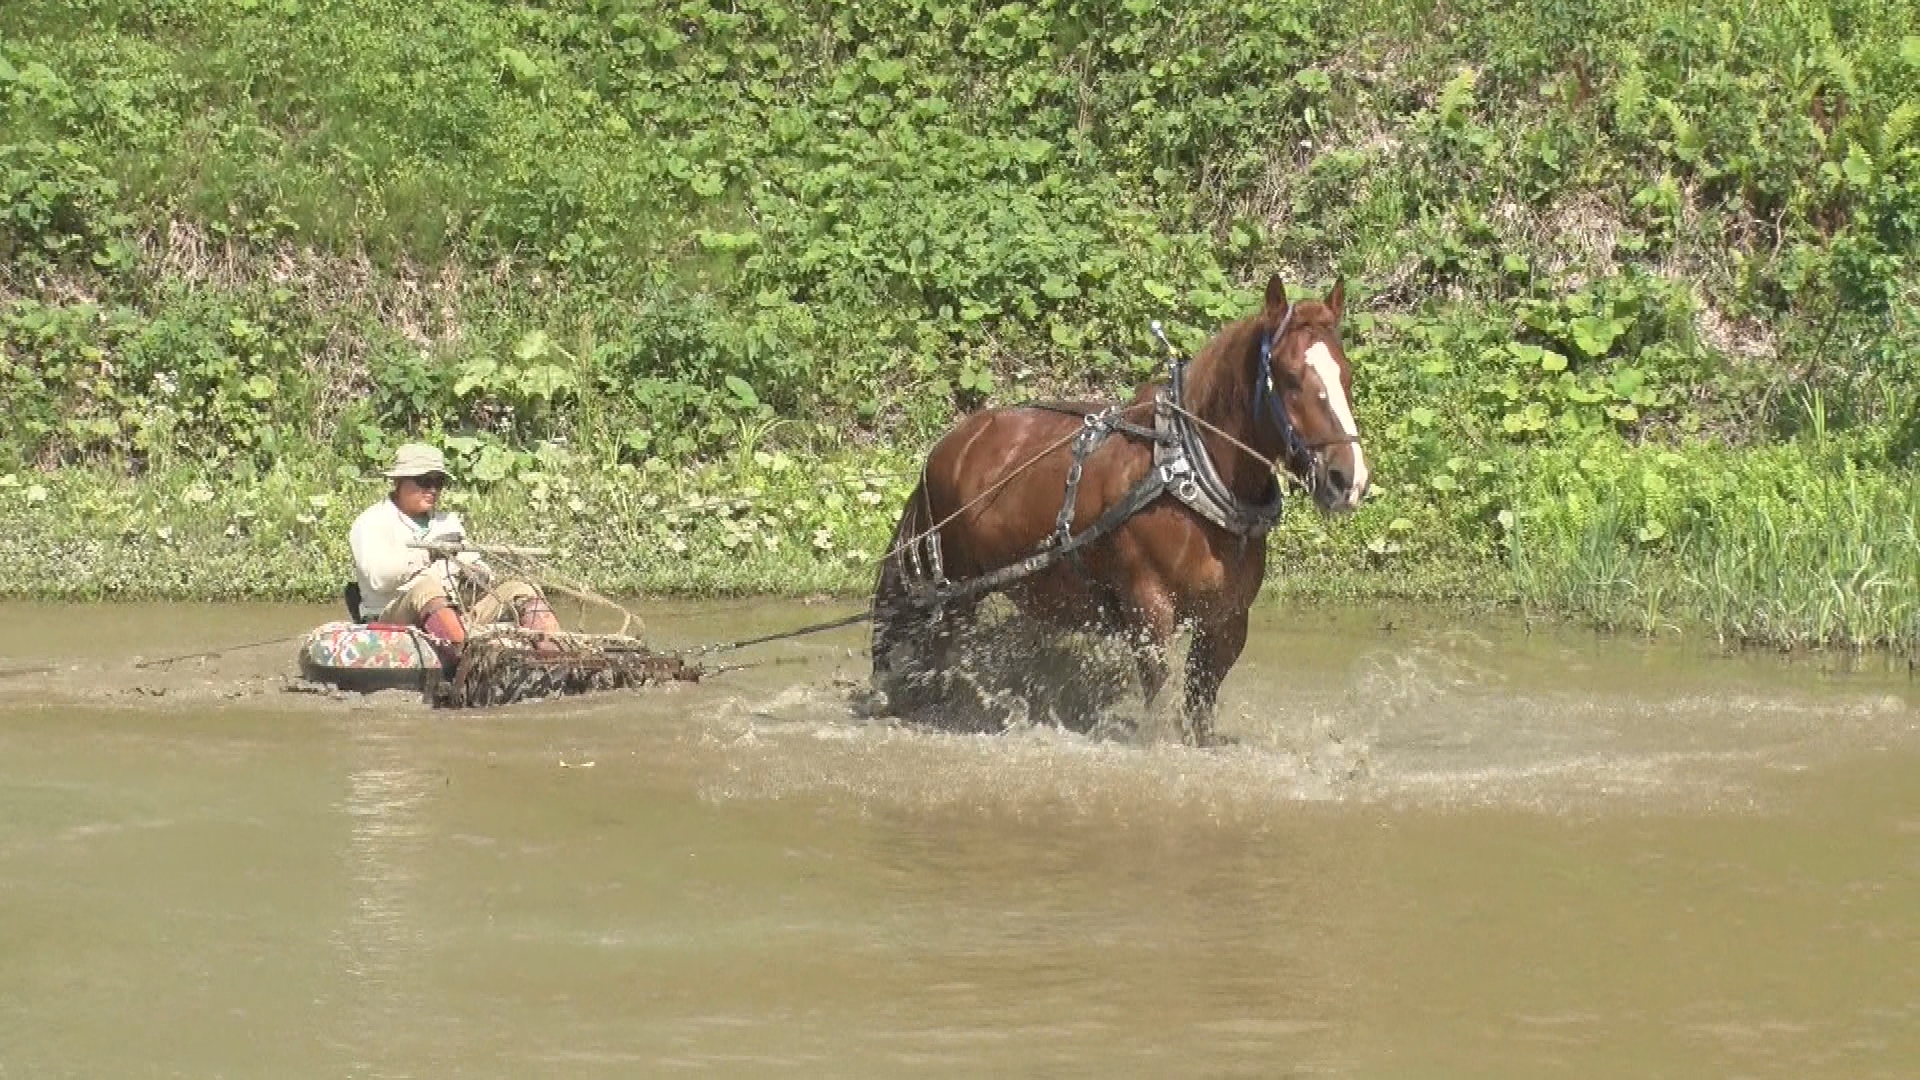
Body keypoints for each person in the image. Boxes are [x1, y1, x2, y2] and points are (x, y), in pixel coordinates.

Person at [349, 443, 562, 659]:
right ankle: (466, 660)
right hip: (393, 613)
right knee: (426, 589)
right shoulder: (370, 523)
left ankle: (553, 655)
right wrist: (427, 554)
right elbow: (379, 578)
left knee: (521, 588)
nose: (432, 490)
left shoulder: (448, 522)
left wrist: (477, 572)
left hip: (453, 608)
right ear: (398, 482)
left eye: (438, 483)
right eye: (424, 481)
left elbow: (475, 561)